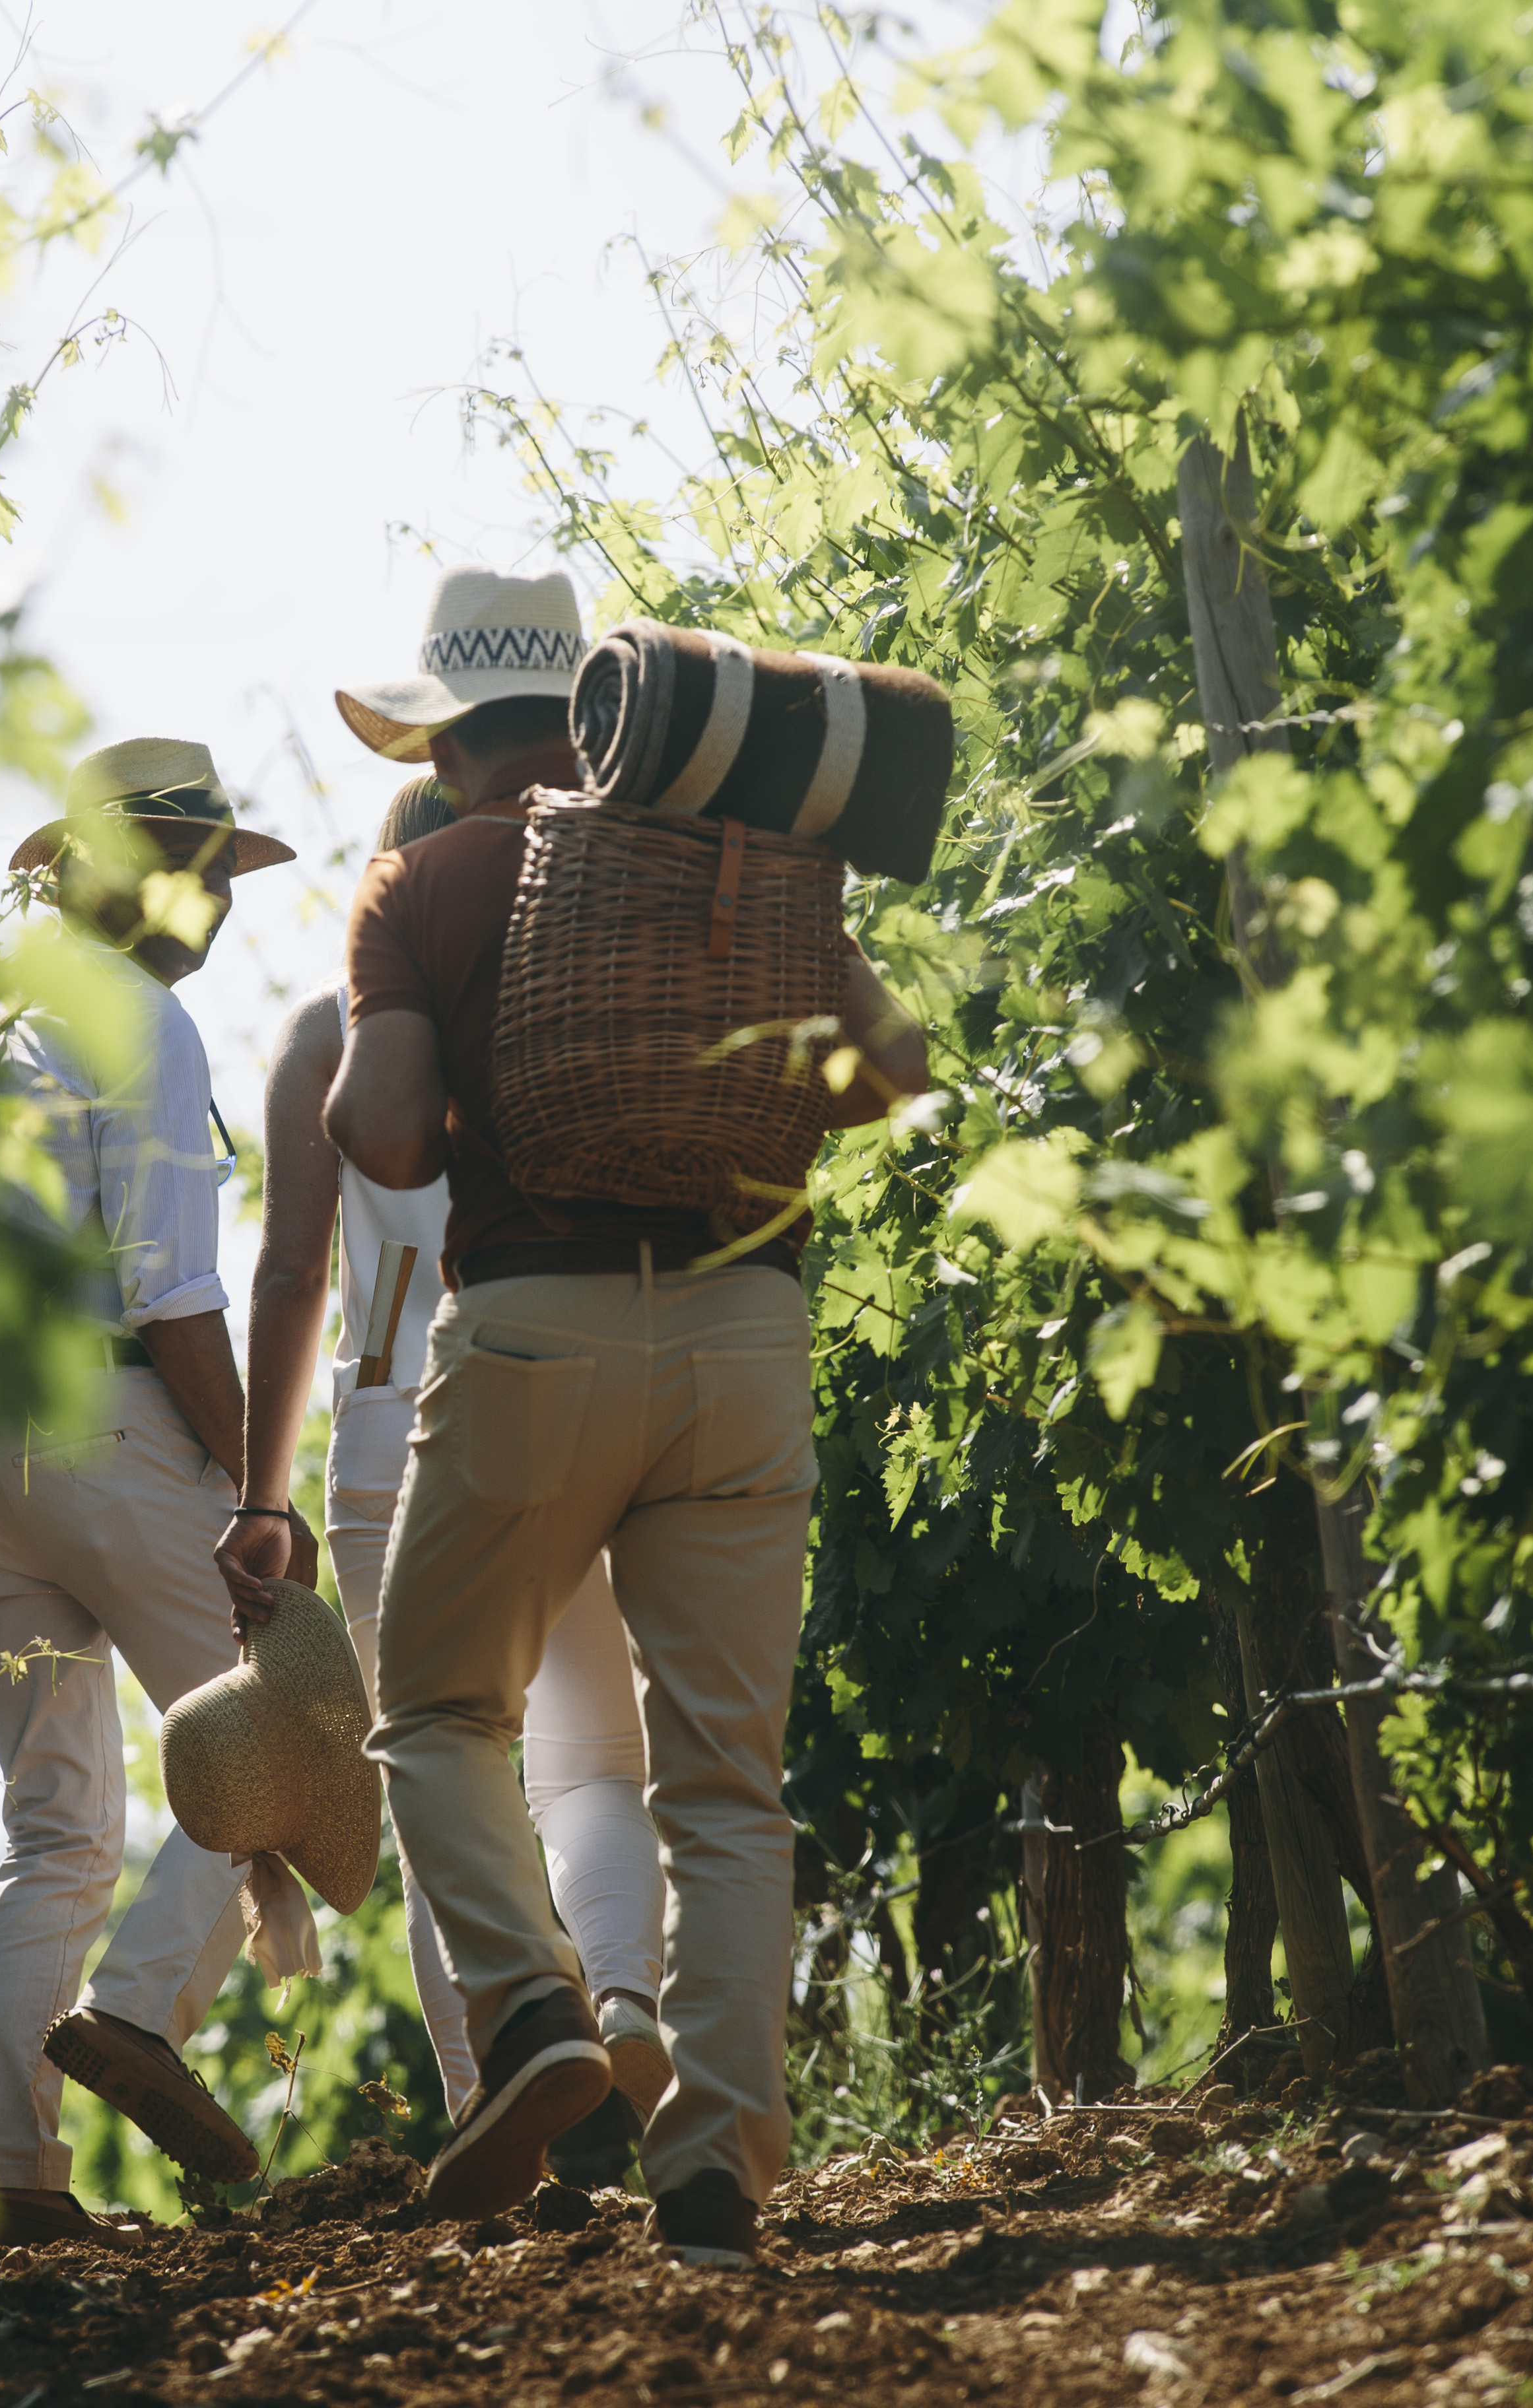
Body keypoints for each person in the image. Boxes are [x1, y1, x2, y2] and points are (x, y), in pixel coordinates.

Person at [322, 566, 934, 2262]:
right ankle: (719, 2167)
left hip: (533, 1331)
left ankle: (531, 2018)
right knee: (725, 1782)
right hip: (745, 1327)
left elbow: (380, 1138)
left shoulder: (423, 883)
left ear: (448, 737)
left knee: (438, 1710)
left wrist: (462, 1084)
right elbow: (897, 1070)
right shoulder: (719, 858)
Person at [214, 772, 671, 2172]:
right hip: (564, 1396)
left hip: (382, 1438)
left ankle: (506, 2101)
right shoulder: (552, 1014)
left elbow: (294, 1274)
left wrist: (262, 1496)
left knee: (437, 1783)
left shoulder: (318, 1037)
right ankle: (628, 1997)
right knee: (595, 1764)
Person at [0, 737, 297, 2249]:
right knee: (277, 1737)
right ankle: (141, 2019)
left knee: (59, 1830)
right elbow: (172, 1295)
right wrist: (255, 1487)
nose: (219, 904)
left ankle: (5, 2175)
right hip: (112, 1418)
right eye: (205, 873)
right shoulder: (142, 1023)